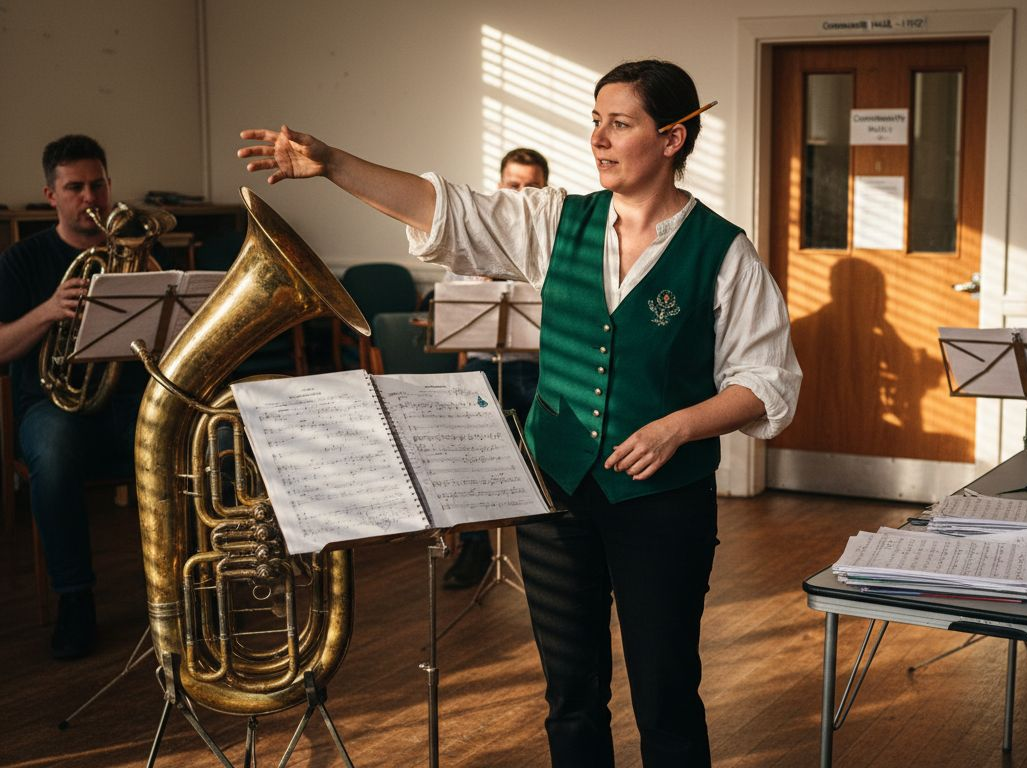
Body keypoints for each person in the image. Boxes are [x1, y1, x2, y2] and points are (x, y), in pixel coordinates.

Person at [239, 59, 801, 767]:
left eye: (619, 123)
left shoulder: (724, 252)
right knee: (570, 694)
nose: (598, 138)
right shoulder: (556, 220)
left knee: (666, 693)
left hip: (663, 504)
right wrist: (333, 164)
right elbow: (445, 209)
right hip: (555, 493)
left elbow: (768, 383)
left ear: (672, 139)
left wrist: (678, 425)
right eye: (596, 121)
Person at [0, 135, 150, 659]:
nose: (90, 197)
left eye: (98, 184)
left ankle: (180, 591)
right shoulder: (23, 259)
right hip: (52, 405)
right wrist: (47, 312)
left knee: (188, 437)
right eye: (75, 187)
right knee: (56, 452)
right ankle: (75, 599)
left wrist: (156, 290)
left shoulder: (134, 256)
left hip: (125, 402)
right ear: (51, 194)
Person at [441, 147, 549, 590]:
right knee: (468, 453)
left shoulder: (552, 245)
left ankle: (543, 547)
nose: (519, 193)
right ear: (499, 184)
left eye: (530, 187)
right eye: (512, 184)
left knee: (545, 459)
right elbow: (452, 317)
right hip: (485, 364)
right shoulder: (471, 243)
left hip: (538, 366)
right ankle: (476, 546)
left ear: (544, 190)